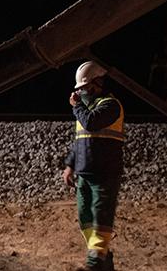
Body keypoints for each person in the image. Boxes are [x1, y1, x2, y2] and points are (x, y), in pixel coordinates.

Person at [62, 61, 124, 271]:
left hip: (105, 174)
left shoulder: (111, 106)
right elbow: (80, 140)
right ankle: (103, 258)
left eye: (85, 88)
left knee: (101, 219)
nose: (81, 93)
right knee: (86, 218)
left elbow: (90, 123)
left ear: (98, 83)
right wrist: (70, 165)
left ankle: (94, 264)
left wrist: (77, 106)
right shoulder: (85, 110)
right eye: (80, 89)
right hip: (84, 174)